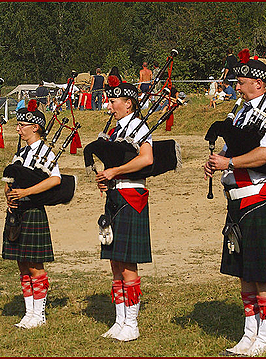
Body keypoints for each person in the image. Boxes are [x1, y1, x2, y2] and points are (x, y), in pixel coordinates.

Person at [203, 49, 266, 356]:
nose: (236, 88)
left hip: (257, 200)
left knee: (261, 272)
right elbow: (231, 152)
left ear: (259, 84)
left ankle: (265, 337)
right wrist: (216, 163)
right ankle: (249, 332)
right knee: (244, 270)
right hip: (235, 203)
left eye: (241, 83)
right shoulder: (240, 114)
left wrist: (229, 163)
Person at [94, 77, 153, 342]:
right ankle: (120, 320)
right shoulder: (116, 130)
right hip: (115, 195)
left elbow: (146, 158)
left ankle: (132, 323)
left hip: (132, 197)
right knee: (115, 261)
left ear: (128, 103)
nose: (110, 106)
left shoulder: (139, 126)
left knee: (128, 263)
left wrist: (115, 171)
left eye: (114, 101)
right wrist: (106, 178)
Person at [2, 99, 61, 329]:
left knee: (35, 265)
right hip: (17, 211)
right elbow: (8, 179)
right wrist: (8, 195)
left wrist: (26, 191)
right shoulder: (21, 152)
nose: (18, 129)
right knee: (22, 264)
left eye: (22, 125)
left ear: (35, 127)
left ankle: (40, 314)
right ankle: (29, 313)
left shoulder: (45, 152)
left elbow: (55, 179)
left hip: (34, 209)